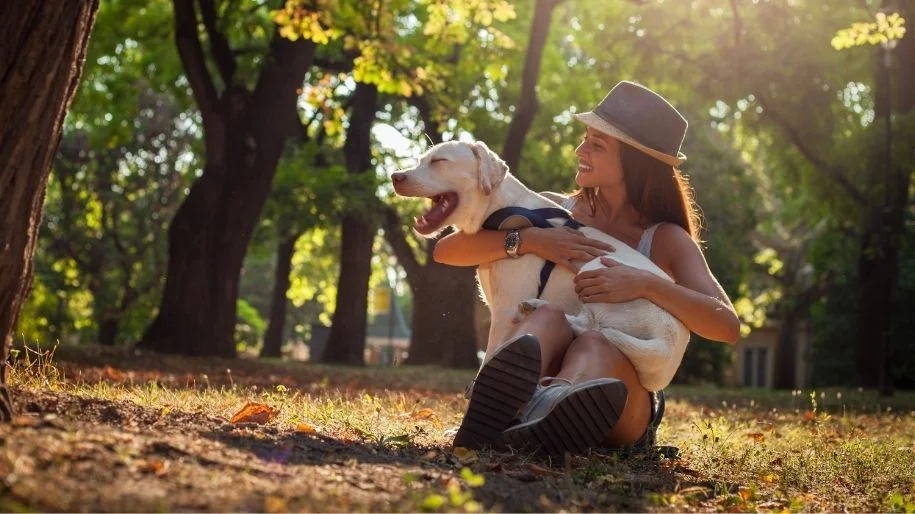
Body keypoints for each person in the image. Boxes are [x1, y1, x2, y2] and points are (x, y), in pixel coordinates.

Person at [435, 81, 741, 455]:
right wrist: (532, 240)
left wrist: (646, 284)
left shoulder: (664, 239)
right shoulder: (552, 211)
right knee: (545, 319)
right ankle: (524, 419)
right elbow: (449, 250)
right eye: (585, 138)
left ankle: (541, 411)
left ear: (634, 161)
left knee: (594, 343)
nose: (581, 150)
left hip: (623, 404)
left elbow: (726, 325)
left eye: (598, 144)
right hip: (550, 356)